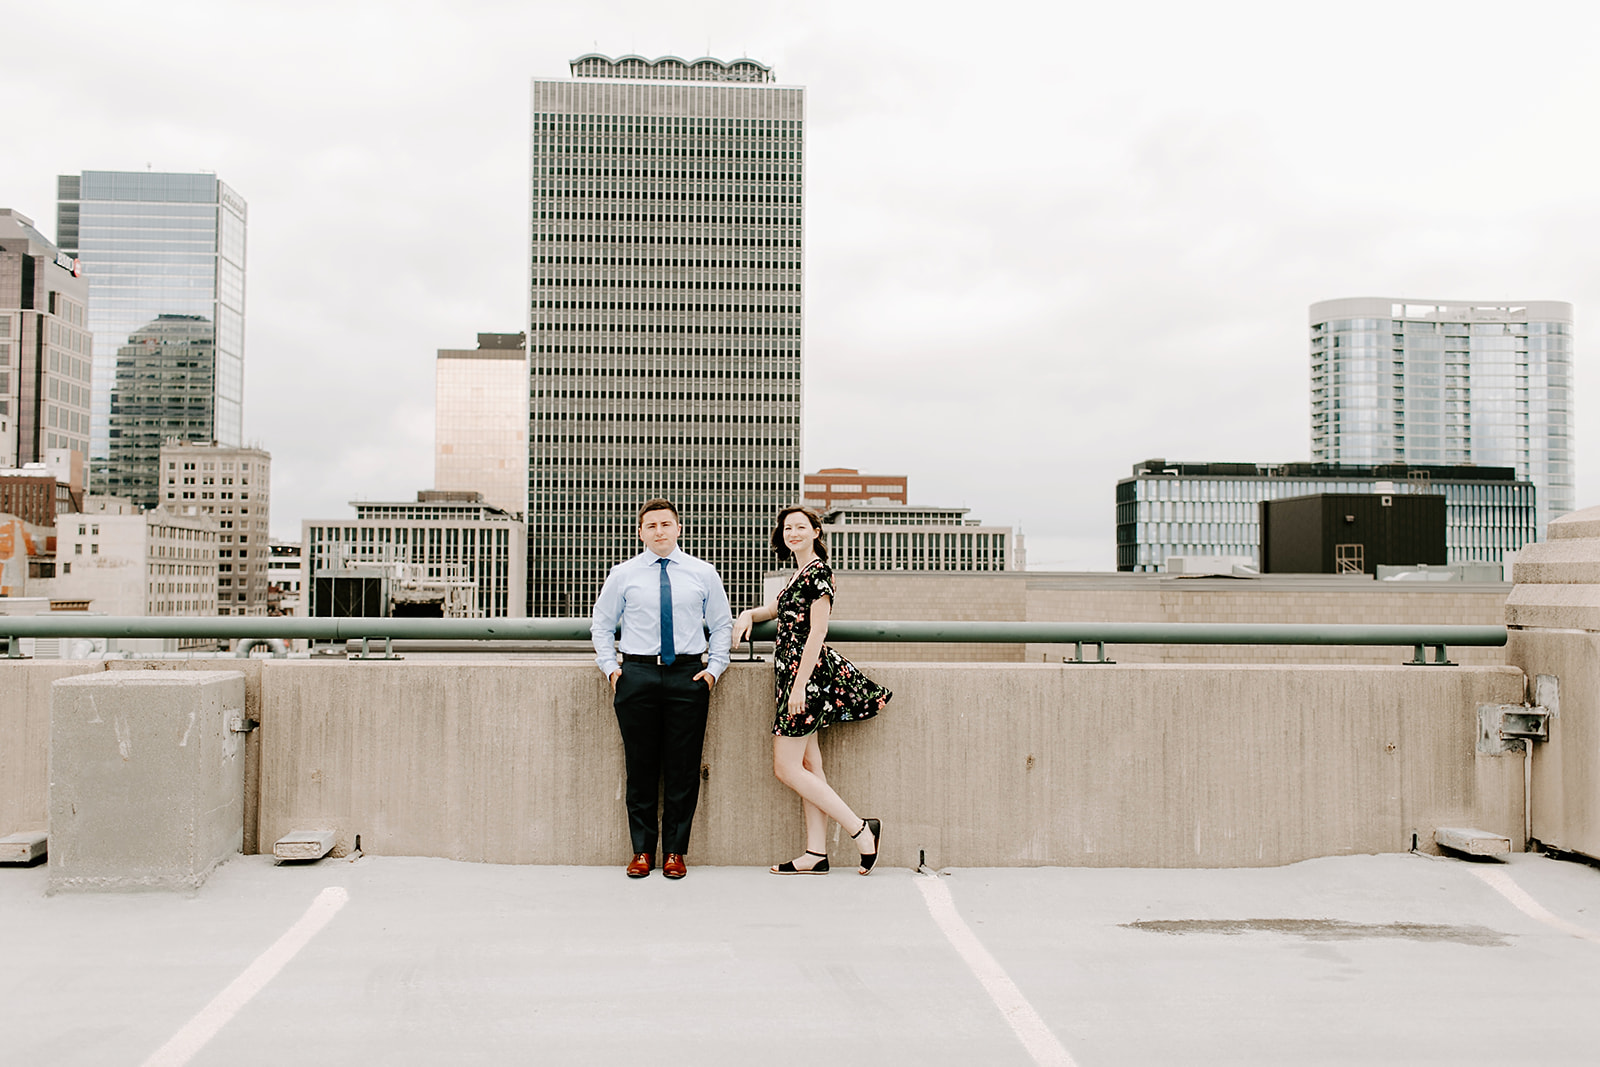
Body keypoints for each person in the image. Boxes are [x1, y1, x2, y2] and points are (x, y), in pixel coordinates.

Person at [731, 505, 892, 875]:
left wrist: (800, 685)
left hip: (806, 678)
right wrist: (745, 615)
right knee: (809, 764)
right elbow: (774, 610)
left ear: (816, 531)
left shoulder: (819, 573)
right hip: (793, 675)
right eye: (788, 528)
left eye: (801, 527)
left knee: (785, 767)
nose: (793, 533)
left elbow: (818, 632)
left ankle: (861, 830)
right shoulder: (798, 574)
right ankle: (815, 854)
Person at [592, 498, 732, 880]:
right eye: (651, 525)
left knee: (682, 769)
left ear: (678, 528)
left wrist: (714, 669)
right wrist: (611, 668)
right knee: (640, 767)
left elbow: (722, 625)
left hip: (688, 677)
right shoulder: (623, 574)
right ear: (641, 532)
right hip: (636, 675)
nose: (659, 531)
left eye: (665, 524)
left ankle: (674, 852)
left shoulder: (702, 573)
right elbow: (602, 626)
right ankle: (641, 852)